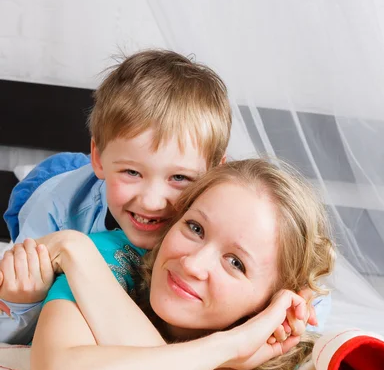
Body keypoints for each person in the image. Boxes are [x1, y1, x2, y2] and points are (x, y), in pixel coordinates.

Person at [27, 159, 335, 370]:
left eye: (235, 263)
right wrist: (76, 247)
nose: (192, 264)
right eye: (195, 227)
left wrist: (232, 345)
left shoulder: (264, 354)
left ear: (271, 301)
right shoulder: (101, 261)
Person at [0, 49, 232, 344]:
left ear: (214, 172)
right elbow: (11, 328)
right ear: (98, 158)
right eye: (132, 173)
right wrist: (24, 301)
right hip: (58, 185)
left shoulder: (227, 210)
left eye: (179, 178)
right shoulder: (56, 210)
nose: (151, 202)